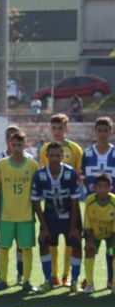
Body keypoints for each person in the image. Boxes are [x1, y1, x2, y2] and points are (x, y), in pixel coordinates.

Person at [38, 113, 83, 286]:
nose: (57, 131)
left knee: (71, 240)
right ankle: (53, 275)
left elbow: (79, 174)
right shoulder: (44, 150)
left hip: (69, 202)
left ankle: (67, 275)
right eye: (54, 128)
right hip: (51, 202)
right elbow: (44, 174)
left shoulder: (75, 149)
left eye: (60, 128)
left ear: (67, 128)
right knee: (51, 241)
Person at [31, 142, 82, 293]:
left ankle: (74, 282)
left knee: (76, 244)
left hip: (70, 217)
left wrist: (73, 228)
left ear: (62, 156)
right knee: (44, 242)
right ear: (46, 156)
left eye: (57, 155)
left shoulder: (70, 173)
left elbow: (74, 202)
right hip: (50, 217)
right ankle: (48, 280)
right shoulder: (40, 175)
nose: (54, 158)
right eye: (51, 155)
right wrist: (44, 227)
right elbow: (36, 202)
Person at [0, 131, 39, 291]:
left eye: (20, 145)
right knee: (3, 248)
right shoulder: (1, 164)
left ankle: (26, 281)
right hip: (6, 215)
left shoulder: (32, 165)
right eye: (14, 144)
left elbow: (36, 191)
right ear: (9, 145)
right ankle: (3, 280)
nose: (17, 148)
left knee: (26, 248)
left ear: (25, 145)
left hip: (25, 215)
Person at [81, 117, 115, 289]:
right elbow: (83, 179)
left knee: (111, 251)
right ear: (95, 132)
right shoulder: (87, 154)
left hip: (111, 213)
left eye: (106, 131)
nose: (102, 134)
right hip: (93, 212)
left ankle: (111, 280)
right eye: (99, 130)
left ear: (111, 132)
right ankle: (89, 281)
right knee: (90, 248)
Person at [82, 174, 115, 294]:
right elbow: (87, 224)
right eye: (99, 186)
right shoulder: (89, 201)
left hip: (111, 235)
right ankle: (90, 284)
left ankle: (114, 285)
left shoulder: (114, 201)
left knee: (113, 252)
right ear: (94, 187)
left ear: (110, 188)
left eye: (105, 186)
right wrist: (89, 242)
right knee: (89, 250)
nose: (102, 189)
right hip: (94, 234)